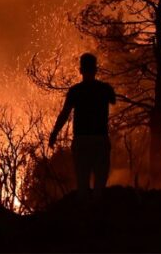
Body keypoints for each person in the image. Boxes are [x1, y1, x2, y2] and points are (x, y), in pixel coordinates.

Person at [49, 53, 116, 200]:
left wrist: (54, 134)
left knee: (82, 185)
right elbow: (113, 100)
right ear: (96, 70)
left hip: (81, 141)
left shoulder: (75, 91)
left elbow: (65, 114)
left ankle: (85, 217)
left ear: (80, 70)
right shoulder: (105, 89)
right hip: (100, 140)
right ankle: (97, 216)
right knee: (100, 185)